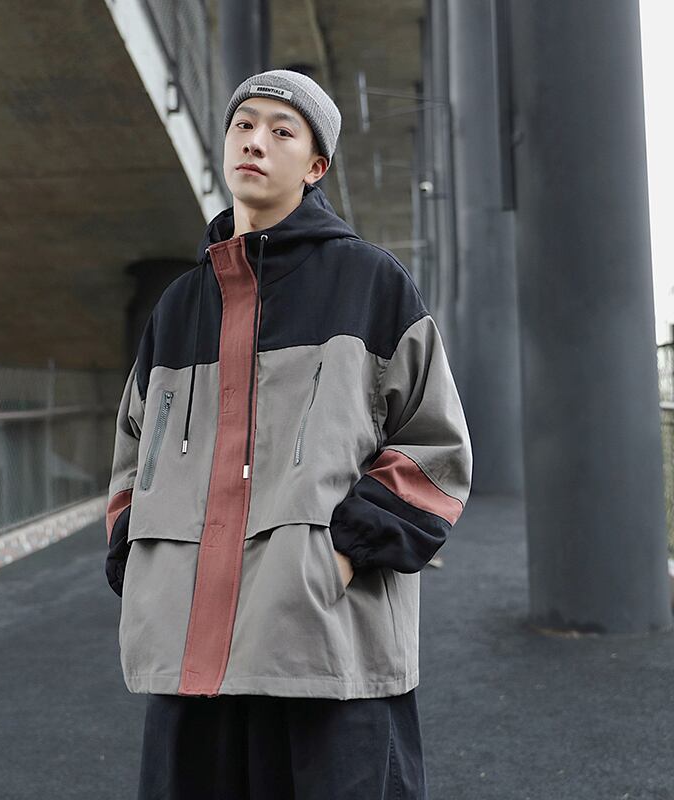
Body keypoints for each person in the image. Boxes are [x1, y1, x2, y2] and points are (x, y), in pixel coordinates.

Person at [105, 69, 473, 799]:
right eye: (244, 125)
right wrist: (136, 559)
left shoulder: (371, 284)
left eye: (281, 131)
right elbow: (130, 455)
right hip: (189, 656)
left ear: (315, 166)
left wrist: (340, 556)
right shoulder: (178, 306)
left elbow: (436, 449)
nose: (255, 142)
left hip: (325, 648)